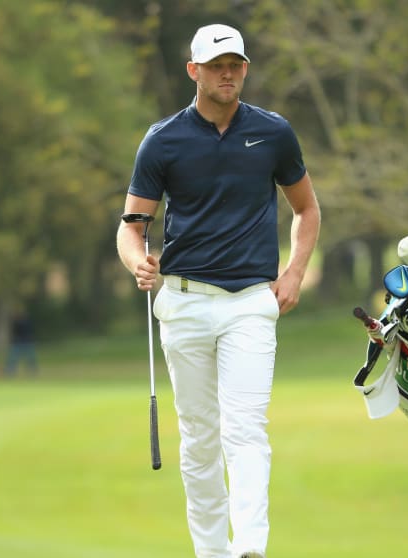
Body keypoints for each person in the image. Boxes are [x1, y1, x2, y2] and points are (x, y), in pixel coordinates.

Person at [116, 23, 320, 558]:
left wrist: (296, 269)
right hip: (182, 302)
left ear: (245, 69)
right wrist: (139, 262)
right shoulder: (163, 140)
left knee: (246, 427)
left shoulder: (273, 133)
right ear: (194, 72)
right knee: (201, 439)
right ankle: (211, 551)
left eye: (235, 64)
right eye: (216, 65)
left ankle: (251, 546)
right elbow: (132, 225)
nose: (227, 73)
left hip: (251, 303)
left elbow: (306, 208)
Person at [4, 307, 38, 376]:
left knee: (29, 357)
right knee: (14, 357)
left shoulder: (23, 322)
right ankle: (10, 370)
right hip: (21, 341)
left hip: (25, 341)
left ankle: (32, 370)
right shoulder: (21, 322)